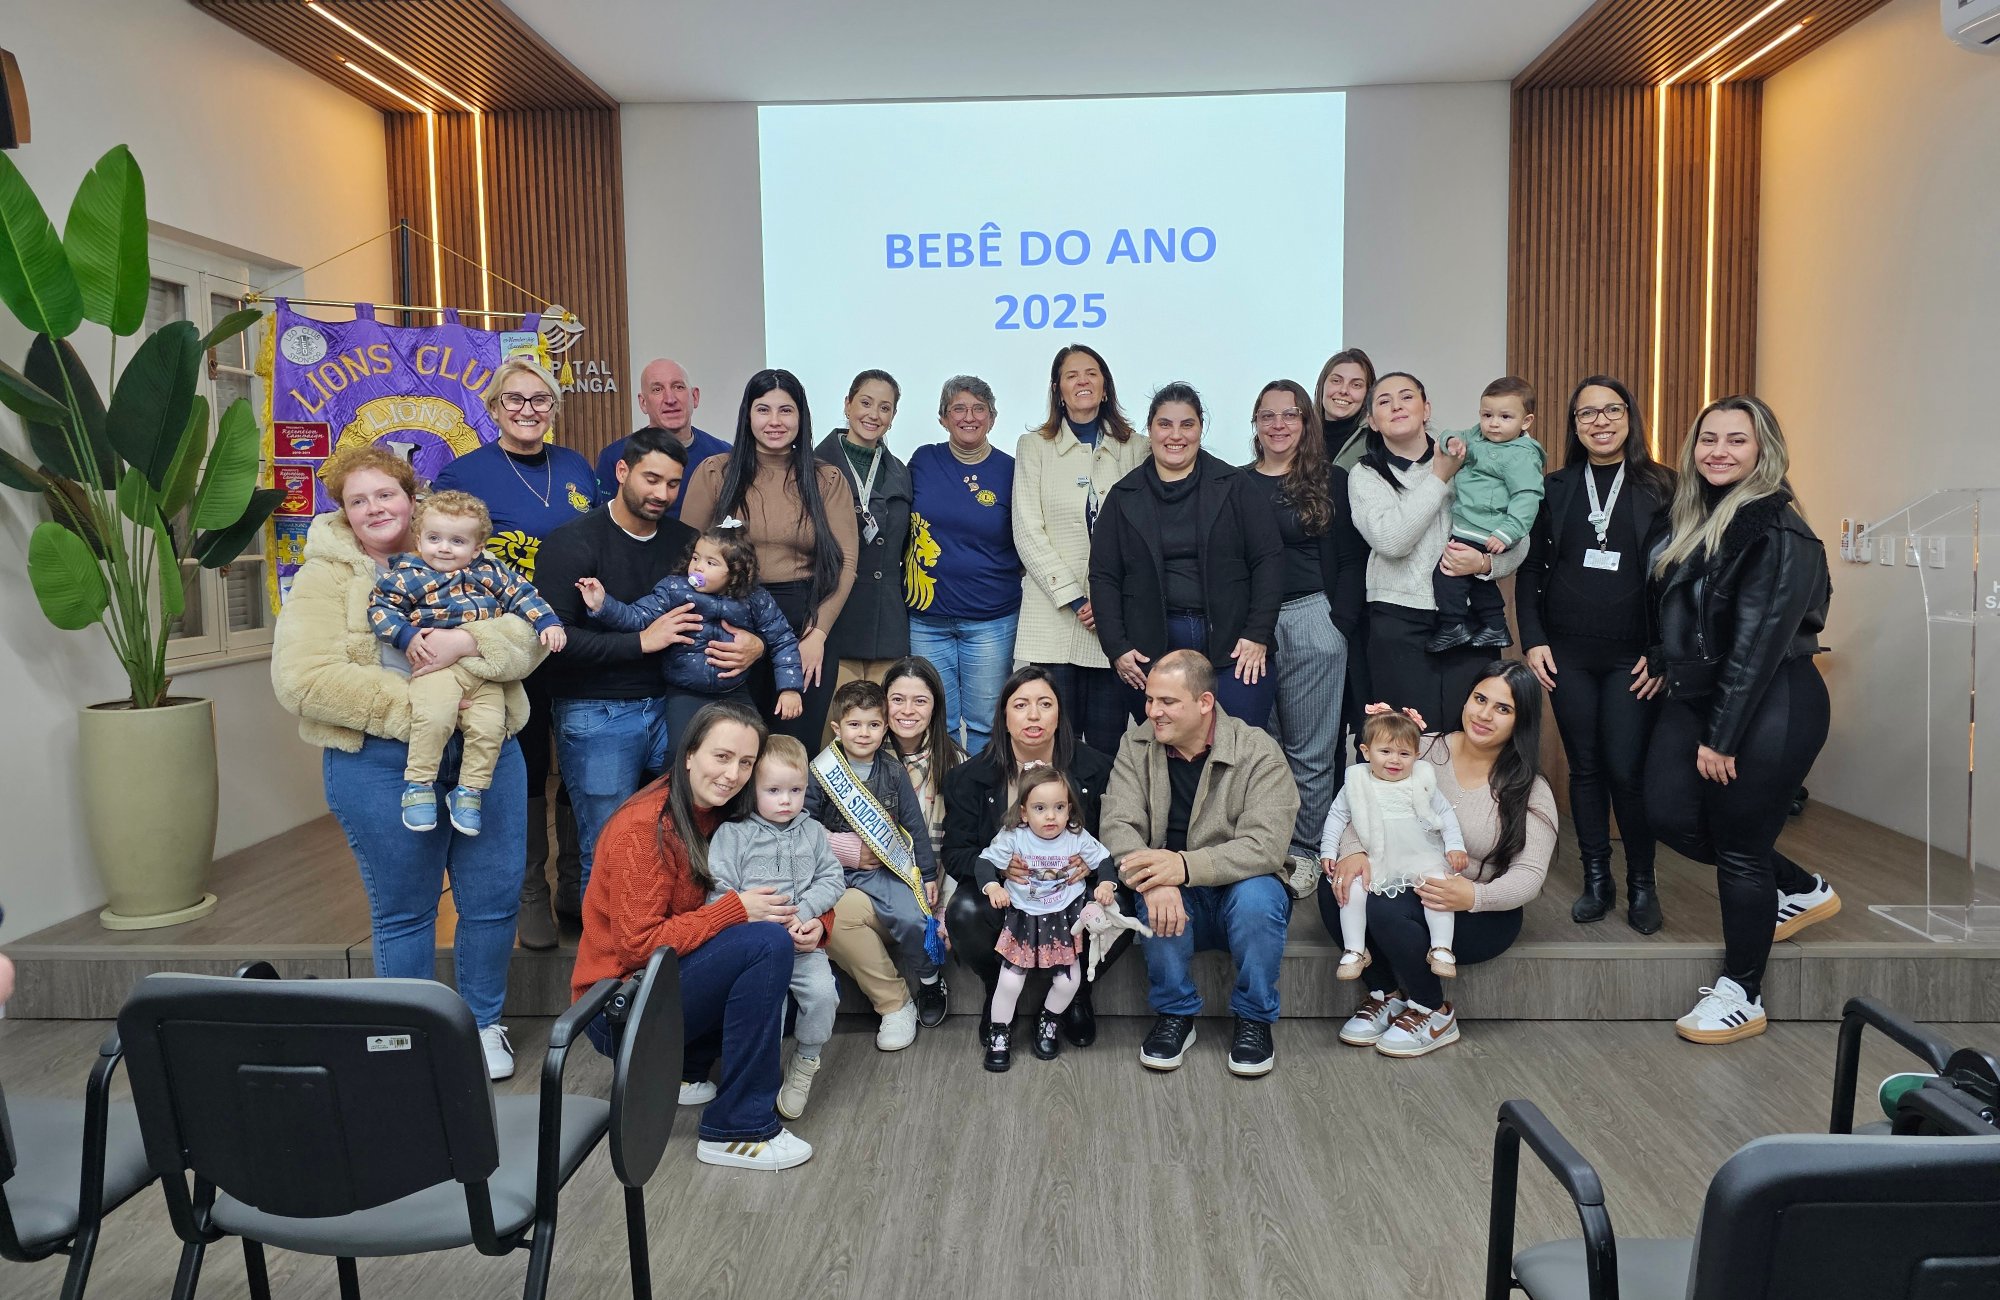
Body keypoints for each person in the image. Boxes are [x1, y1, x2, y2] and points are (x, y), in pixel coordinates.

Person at [273, 446, 541, 1080]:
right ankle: (411, 1035)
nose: (374, 508)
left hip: (487, 752)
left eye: (385, 494)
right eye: (357, 500)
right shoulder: (324, 577)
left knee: (493, 899)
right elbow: (303, 680)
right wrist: (426, 711)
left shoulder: (467, 549)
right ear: (343, 511)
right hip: (380, 761)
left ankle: (482, 1025)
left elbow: (528, 636)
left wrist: (467, 639)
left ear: (411, 496)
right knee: (406, 907)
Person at [1642, 395, 1836, 1045]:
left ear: (1763, 452)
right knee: (1666, 811)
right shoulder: (1700, 516)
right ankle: (1799, 887)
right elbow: (1695, 617)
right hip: (1702, 693)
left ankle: (1742, 993)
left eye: (1736, 440)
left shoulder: (1775, 528)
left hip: (1771, 700)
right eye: (1708, 439)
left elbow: (1756, 645)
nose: (1718, 451)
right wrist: (1666, 660)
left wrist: (1721, 738)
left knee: (1740, 849)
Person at [570, 700, 820, 1170]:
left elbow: (797, 875)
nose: (732, 774)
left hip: (665, 984)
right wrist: (735, 910)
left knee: (791, 983)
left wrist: (816, 924)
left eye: (745, 763)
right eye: (721, 757)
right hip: (617, 1006)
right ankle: (737, 1128)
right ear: (689, 755)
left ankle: (685, 1070)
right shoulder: (643, 828)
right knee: (766, 947)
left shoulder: (729, 810)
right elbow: (638, 947)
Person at [535, 428, 765, 904]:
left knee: (683, 837)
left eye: (673, 483)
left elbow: (741, 605)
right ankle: (604, 947)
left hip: (675, 705)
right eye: (651, 479)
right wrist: (641, 641)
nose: (662, 493)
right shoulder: (570, 542)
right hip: (597, 711)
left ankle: (671, 937)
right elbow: (555, 640)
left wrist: (756, 646)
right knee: (609, 845)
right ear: (622, 472)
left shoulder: (687, 544)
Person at [432, 357, 595, 948]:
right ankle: (530, 892)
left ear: (554, 408)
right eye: (515, 399)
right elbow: (440, 559)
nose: (528, 410)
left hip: (573, 638)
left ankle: (574, 883)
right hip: (505, 644)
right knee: (522, 762)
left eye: (540, 399)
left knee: (577, 759)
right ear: (494, 407)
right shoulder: (463, 473)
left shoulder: (575, 466)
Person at [1327, 661, 1556, 1058]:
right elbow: (1361, 800)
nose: (1485, 714)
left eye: (1503, 708)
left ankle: (1432, 1009)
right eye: (1480, 699)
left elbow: (1530, 875)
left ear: (1521, 721)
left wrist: (1474, 896)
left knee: (1386, 905)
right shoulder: (1423, 748)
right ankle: (1385, 994)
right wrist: (1352, 851)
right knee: (1338, 885)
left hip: (1477, 912)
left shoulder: (1529, 787)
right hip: (1402, 879)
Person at [1517, 376, 1675, 933]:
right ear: (1574, 424)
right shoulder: (1554, 487)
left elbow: (1681, 574)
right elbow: (1531, 568)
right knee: (1584, 768)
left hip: (1635, 658)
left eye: (1611, 410)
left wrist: (1665, 651)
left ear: (1630, 416)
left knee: (1627, 771)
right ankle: (1596, 879)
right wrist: (1533, 638)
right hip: (1568, 654)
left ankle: (1642, 884)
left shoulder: (1664, 486)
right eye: (1587, 413)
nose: (1600, 421)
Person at [1102, 651, 1298, 1077]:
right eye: (1150, 699)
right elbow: (1118, 826)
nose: (1153, 711)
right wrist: (1158, 879)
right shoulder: (1135, 745)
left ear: (1205, 702)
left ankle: (1254, 1018)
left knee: (1259, 896)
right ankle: (1175, 1014)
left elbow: (1265, 846)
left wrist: (1183, 867)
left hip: (1239, 892)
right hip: (1174, 893)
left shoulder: (1258, 751)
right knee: (1151, 891)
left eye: (1167, 702)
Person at [366, 489, 566, 834]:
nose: (444, 548)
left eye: (457, 541)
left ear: (476, 548)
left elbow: (522, 594)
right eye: (434, 538)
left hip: (483, 670)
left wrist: (547, 622)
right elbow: (381, 609)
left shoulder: (490, 571)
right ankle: (419, 786)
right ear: (419, 539)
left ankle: (469, 791)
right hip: (435, 665)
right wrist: (405, 635)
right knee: (433, 717)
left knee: (490, 727)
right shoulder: (408, 575)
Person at [942, 666, 1121, 1048]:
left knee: (1121, 907)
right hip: (1008, 896)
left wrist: (1093, 868)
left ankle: (1077, 993)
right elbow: (956, 853)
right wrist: (998, 869)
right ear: (1004, 716)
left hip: (1073, 895)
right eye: (1021, 705)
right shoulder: (969, 778)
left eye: (1045, 704)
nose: (1034, 715)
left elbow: (1117, 838)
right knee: (964, 911)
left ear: (1060, 714)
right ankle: (998, 991)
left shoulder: (1099, 770)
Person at [1090, 382, 1283, 729]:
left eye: (1187, 424)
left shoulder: (1235, 485)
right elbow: (1104, 576)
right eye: (1165, 424)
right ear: (1150, 430)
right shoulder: (1123, 496)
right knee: (1168, 750)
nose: (1175, 435)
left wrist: (1258, 634)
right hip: (1150, 651)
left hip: (1236, 647)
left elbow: (1268, 560)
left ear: (1200, 428)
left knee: (1237, 747)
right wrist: (1117, 648)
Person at [682, 370, 859, 745]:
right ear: (747, 415)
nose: (774, 421)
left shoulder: (826, 479)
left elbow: (845, 563)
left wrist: (817, 634)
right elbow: (686, 559)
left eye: (786, 410)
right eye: (763, 410)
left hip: (806, 624)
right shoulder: (715, 473)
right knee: (731, 747)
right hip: (727, 624)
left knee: (792, 750)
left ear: (801, 417)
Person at [1347, 371, 1530, 725]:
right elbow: (1391, 541)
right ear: (1372, 421)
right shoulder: (1365, 474)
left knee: (1470, 734)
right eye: (1384, 401)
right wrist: (1439, 476)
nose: (1397, 406)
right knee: (1405, 740)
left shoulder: (1475, 459)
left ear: (1426, 409)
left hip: (1471, 620)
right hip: (1398, 621)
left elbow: (1520, 536)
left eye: (1407, 397)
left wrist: (1484, 563)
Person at [1242, 379, 1366, 891]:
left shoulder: (1332, 480)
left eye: (1289, 414)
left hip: (1314, 617)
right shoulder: (1236, 484)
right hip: (1252, 627)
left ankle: (1306, 851)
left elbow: (1353, 559)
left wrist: (1338, 623)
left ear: (1305, 422)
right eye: (1267, 415)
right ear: (1255, 424)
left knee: (1311, 750)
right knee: (1262, 746)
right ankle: (1267, 845)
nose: (1278, 424)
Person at [1012, 344, 1150, 761]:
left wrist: (1104, 605)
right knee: (1048, 748)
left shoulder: (1137, 448)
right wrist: (1076, 598)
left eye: (1091, 373)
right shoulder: (1033, 446)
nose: (1082, 381)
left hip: (1112, 627)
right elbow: (1027, 531)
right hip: (1050, 622)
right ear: (1058, 390)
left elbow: (1144, 533)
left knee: (1108, 752)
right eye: (1071, 375)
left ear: (1105, 387)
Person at [703, 735, 845, 1120]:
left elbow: (833, 878)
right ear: (752, 789)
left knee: (823, 994)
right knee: (768, 1008)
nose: (786, 801)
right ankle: (759, 1076)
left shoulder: (812, 832)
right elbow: (717, 892)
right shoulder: (733, 834)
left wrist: (810, 914)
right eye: (774, 791)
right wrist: (750, 915)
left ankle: (806, 1061)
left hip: (801, 947)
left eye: (796, 790)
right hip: (756, 952)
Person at [808, 679, 946, 1048]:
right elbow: (801, 825)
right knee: (829, 918)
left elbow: (914, 826)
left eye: (873, 725)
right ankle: (894, 1003)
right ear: (837, 728)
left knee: (915, 919)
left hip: (887, 870)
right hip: (834, 874)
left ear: (884, 728)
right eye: (854, 724)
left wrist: (927, 874)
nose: (864, 733)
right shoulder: (820, 771)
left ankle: (931, 980)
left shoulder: (893, 772)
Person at [576, 522, 804, 740]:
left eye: (711, 563)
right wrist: (602, 605)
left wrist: (790, 689)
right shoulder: (674, 589)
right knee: (681, 748)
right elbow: (637, 617)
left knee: (750, 740)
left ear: (735, 572)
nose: (698, 567)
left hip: (734, 690)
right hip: (685, 692)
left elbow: (782, 640)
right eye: (696, 558)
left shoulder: (755, 599)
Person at [906, 376, 1022, 753]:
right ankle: (945, 792)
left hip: (991, 621)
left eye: (978, 409)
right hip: (927, 620)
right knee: (935, 723)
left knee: (986, 724)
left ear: (993, 418)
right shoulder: (923, 461)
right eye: (958, 408)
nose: (968, 417)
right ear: (943, 418)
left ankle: (980, 792)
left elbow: (1026, 539)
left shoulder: (1012, 470)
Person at [976, 769, 1118, 1070]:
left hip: (1063, 920)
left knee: (1069, 982)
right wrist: (992, 886)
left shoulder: (1076, 836)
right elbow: (984, 861)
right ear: (1024, 813)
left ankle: (1048, 1019)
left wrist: (1106, 883)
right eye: (1040, 808)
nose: (1051, 816)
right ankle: (999, 1031)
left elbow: (1104, 860)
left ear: (1069, 809)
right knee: (1009, 982)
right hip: (1024, 919)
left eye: (1059, 807)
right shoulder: (1015, 836)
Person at [1318, 706, 1469, 982]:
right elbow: (1337, 817)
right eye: (1385, 751)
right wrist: (1329, 849)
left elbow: (1445, 814)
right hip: (1374, 851)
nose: (1394, 760)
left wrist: (1454, 846)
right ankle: (1354, 949)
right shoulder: (1357, 781)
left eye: (1404, 754)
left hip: (1417, 850)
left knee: (1438, 885)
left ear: (1416, 755)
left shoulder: (1420, 779)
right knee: (1353, 888)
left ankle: (1441, 947)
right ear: (1366, 752)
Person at [1429, 377, 1545, 653]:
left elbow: (1527, 496)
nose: (1493, 423)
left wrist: (1508, 532)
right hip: (1471, 524)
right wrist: (1451, 441)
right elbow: (1453, 434)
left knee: (1447, 573)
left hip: (1489, 528)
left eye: (1505, 417)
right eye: (1487, 415)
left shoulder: (1522, 455)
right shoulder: (1477, 436)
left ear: (1526, 421)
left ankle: (1452, 625)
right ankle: (1495, 625)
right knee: (1476, 579)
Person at [818, 370, 913, 709]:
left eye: (884, 408)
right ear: (848, 404)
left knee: (882, 725)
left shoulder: (900, 471)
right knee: (835, 727)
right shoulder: (814, 466)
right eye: (866, 403)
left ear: (893, 416)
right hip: (832, 623)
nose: (874, 415)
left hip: (886, 625)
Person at [594, 357, 730, 514]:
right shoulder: (615, 457)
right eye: (657, 390)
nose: (670, 399)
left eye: (678, 387)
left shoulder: (724, 455)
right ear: (643, 403)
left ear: (695, 397)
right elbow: (605, 522)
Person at [1317, 348, 1377, 472]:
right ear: (1321, 385)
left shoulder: (1377, 438)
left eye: (1356, 385)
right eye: (1336, 381)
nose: (1344, 390)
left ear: (1368, 393)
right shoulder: (1298, 433)